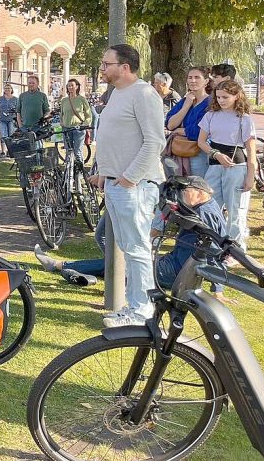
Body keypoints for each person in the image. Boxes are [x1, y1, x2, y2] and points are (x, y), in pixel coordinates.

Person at [35, 176, 227, 291]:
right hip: (175, 265)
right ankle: (70, 269)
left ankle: (61, 266)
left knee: (127, 265)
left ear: (200, 193)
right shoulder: (207, 207)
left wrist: (217, 288)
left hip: (176, 271)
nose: (181, 193)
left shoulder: (204, 214)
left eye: (185, 190)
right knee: (123, 264)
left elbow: (214, 250)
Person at [92, 44, 166, 328]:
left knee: (136, 248)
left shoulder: (144, 94)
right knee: (127, 246)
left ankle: (142, 310)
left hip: (134, 186)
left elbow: (154, 141)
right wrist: (104, 173)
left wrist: (129, 178)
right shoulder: (117, 94)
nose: (102, 68)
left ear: (125, 67)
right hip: (115, 183)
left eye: (106, 63)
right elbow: (118, 138)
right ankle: (134, 307)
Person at [197, 80, 257, 252]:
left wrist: (250, 175)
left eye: (226, 97)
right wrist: (215, 154)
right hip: (215, 165)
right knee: (210, 204)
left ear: (236, 96)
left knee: (235, 209)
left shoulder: (244, 119)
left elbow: (250, 150)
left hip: (236, 167)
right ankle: (213, 242)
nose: (221, 100)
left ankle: (235, 249)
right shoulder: (210, 115)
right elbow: (201, 141)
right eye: (219, 97)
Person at [166, 67, 213, 176]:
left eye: (197, 77)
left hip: (198, 152)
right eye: (190, 77)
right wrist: (186, 106)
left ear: (206, 81)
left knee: (197, 187)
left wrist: (181, 130)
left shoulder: (210, 103)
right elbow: (170, 125)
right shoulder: (184, 101)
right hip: (179, 151)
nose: (193, 81)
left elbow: (199, 131)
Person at [60, 78, 92, 162]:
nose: (70, 87)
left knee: (77, 152)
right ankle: (68, 173)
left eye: (72, 85)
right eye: (68, 86)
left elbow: (88, 114)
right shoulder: (64, 100)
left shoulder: (82, 99)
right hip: (66, 129)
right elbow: (62, 113)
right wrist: (61, 122)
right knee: (68, 152)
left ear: (77, 87)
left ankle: (80, 172)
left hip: (78, 129)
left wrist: (85, 124)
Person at [0, 84, 19, 157]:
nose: (7, 90)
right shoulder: (0, 98)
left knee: (11, 135)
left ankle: (10, 151)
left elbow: (18, 110)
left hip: (12, 119)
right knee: (3, 135)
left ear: (11, 90)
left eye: (8, 88)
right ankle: (3, 152)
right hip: (2, 119)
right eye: (5, 88)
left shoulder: (15, 99)